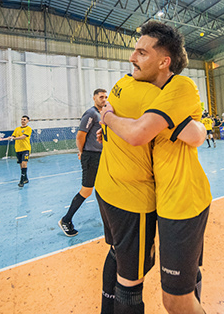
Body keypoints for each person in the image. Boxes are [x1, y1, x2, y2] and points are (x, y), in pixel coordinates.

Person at [99, 20, 210, 314]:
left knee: (174, 300)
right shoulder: (148, 92)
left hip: (182, 201)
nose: (132, 57)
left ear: (164, 62)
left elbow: (142, 134)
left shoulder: (179, 87)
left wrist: (108, 117)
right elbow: (193, 133)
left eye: (142, 52)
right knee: (184, 281)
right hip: (164, 199)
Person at [58, 89, 107, 237]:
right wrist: (82, 152)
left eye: (106, 97)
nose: (104, 99)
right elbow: (80, 136)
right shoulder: (91, 114)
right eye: (101, 97)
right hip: (91, 156)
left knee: (103, 188)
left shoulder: (103, 113)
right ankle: (66, 220)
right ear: (94, 98)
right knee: (87, 190)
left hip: (101, 156)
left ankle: (108, 219)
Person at [0, 115, 33, 187]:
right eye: (22, 119)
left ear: (28, 121)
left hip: (26, 149)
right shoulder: (17, 129)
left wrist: (14, 138)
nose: (22, 121)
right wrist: (3, 139)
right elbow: (12, 137)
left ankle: (21, 181)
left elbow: (23, 137)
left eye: (24, 120)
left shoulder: (28, 129)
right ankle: (26, 178)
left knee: (24, 164)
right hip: (18, 149)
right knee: (21, 165)